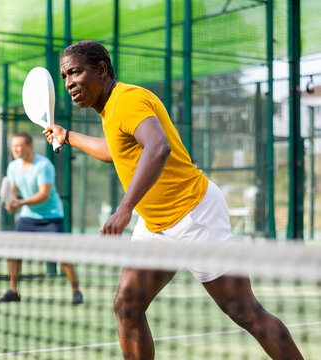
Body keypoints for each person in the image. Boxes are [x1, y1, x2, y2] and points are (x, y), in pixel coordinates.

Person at [43, 40, 303, 359]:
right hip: (155, 226)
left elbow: (158, 147)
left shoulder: (127, 100)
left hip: (194, 215)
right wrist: (67, 136)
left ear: (101, 70)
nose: (69, 83)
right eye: (65, 76)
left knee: (245, 311)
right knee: (127, 306)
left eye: (75, 72)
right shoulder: (111, 109)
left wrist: (125, 209)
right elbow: (116, 151)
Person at [0, 132, 83, 305]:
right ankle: (13, 291)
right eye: (13, 146)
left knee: (63, 256)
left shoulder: (44, 165)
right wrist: (11, 202)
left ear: (30, 146)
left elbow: (44, 194)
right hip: (28, 217)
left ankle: (76, 291)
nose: (15, 149)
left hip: (51, 216)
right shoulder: (13, 166)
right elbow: (12, 190)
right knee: (13, 252)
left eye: (19, 145)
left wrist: (20, 203)